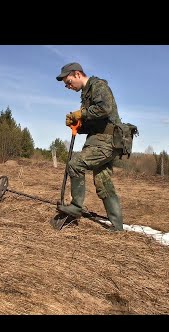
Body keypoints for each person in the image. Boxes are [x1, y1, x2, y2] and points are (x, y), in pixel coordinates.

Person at [56, 62, 124, 231]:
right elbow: (94, 124)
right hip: (99, 139)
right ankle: (117, 227)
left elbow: (105, 109)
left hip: (107, 141)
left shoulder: (98, 86)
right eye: (66, 85)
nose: (68, 86)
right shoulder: (86, 95)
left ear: (77, 74)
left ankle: (76, 207)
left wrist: (81, 113)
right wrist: (78, 126)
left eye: (69, 82)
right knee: (102, 180)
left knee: (75, 164)